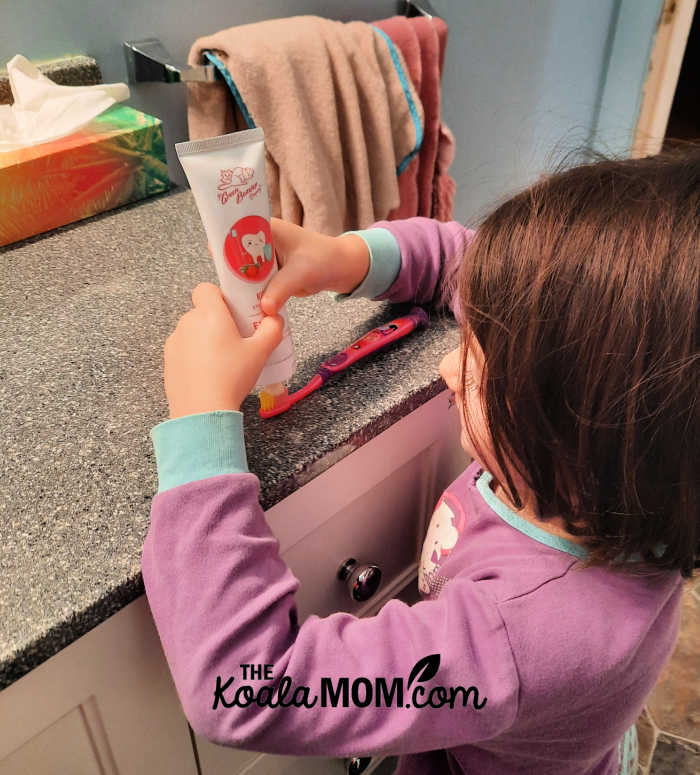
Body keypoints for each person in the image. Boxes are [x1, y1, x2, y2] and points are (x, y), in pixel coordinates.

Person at [142, 149, 698, 775]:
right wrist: (346, 258)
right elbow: (468, 259)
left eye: (482, 361)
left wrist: (199, 429)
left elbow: (248, 690)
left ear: (585, 430)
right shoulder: (641, 469)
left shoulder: (517, 641)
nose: (448, 369)